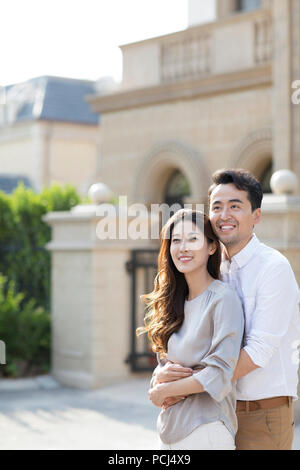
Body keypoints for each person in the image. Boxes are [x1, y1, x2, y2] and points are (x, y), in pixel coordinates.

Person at [154, 169, 300, 450]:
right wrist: (167, 376)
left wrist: (183, 387)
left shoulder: (273, 268)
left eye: (235, 206)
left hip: (260, 412)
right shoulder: (214, 268)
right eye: (217, 207)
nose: (224, 215)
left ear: (255, 216)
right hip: (215, 409)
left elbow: (259, 350)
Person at [138, 209, 244, 450]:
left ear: (211, 247)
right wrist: (157, 382)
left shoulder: (223, 299)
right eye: (176, 240)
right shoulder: (174, 301)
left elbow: (220, 372)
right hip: (169, 429)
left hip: (206, 429)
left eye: (192, 239)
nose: (183, 247)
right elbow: (164, 365)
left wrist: (161, 392)